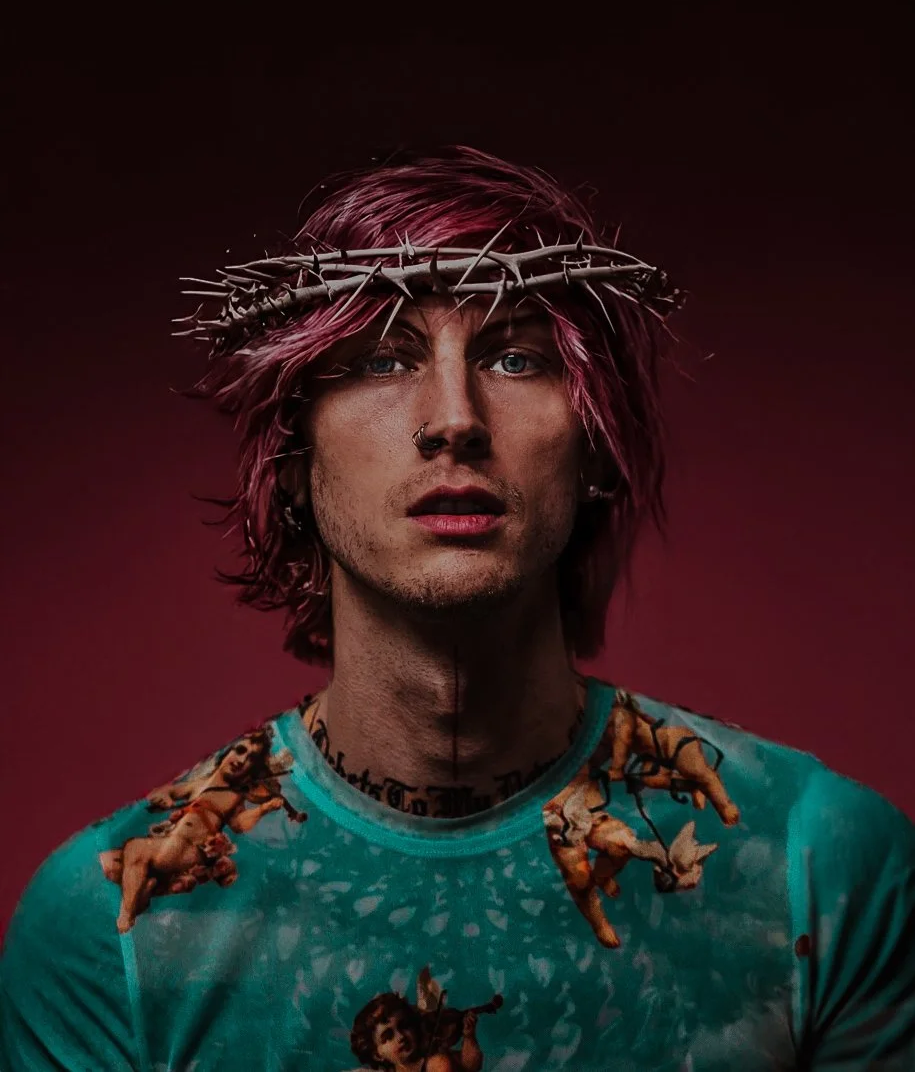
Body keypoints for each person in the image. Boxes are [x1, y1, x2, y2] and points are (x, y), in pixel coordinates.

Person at [1, 145, 913, 1071]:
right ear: (294, 461)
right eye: (382, 359)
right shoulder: (114, 923)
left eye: (515, 357)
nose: (452, 418)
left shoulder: (820, 867)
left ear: (593, 446)